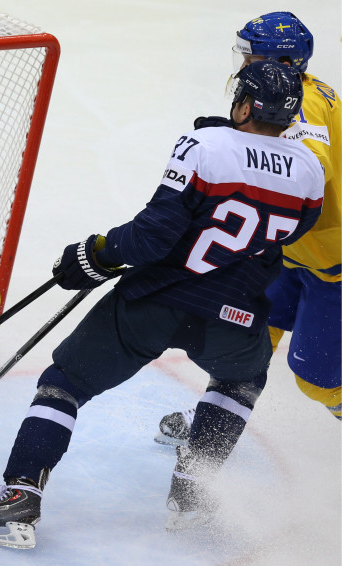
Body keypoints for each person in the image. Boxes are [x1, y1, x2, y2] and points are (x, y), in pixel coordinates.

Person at [0, 61, 324, 549]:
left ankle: (19, 496)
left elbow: (151, 238)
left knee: (65, 383)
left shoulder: (205, 147)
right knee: (240, 381)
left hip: (157, 299)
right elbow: (291, 232)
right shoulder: (310, 169)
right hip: (235, 309)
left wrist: (95, 254)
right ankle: (192, 497)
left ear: (247, 105)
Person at [157, 12, 341, 446]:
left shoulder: (305, 105)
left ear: (281, 58)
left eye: (249, 53)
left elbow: (313, 169)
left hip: (332, 263)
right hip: (294, 252)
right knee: (247, 338)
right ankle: (215, 415)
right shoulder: (288, 91)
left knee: (316, 380)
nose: (241, 62)